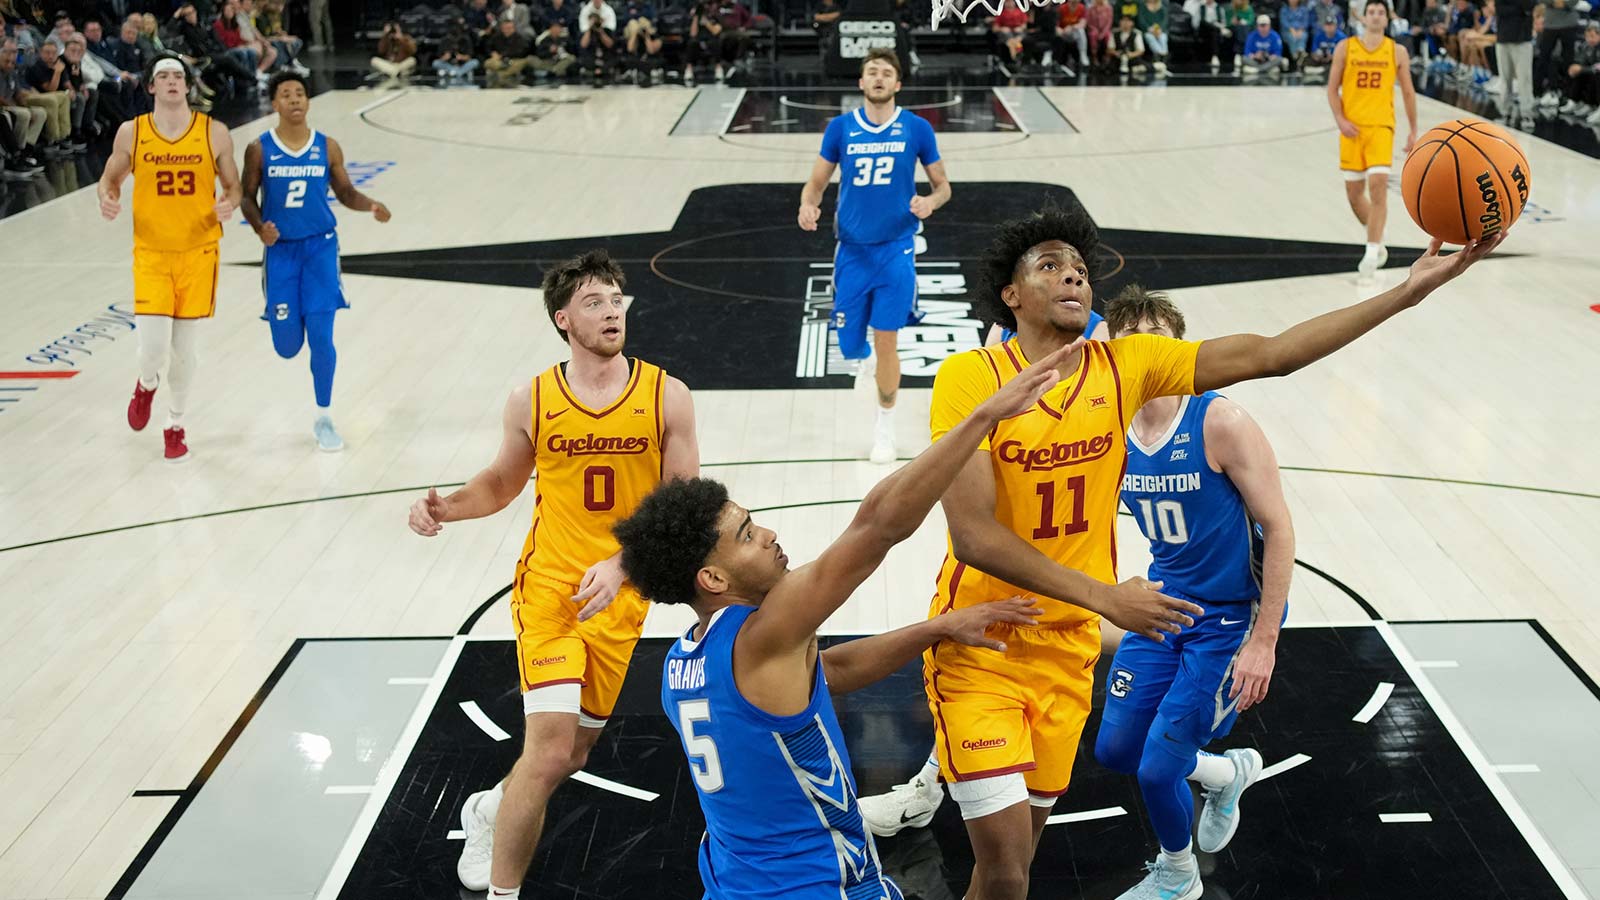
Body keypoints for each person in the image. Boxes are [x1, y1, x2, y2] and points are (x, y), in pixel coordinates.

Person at [862, 205, 1502, 900]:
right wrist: (1108, 597)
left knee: (1013, 866)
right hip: (981, 646)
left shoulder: (1126, 365)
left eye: (1079, 269)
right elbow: (974, 537)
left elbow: (1274, 353)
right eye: (1050, 266)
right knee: (1010, 868)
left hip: (1068, 653)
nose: (1072, 275)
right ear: (1011, 295)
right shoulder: (971, 377)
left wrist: (1409, 291)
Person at [615, 346, 1074, 900]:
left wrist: (935, 628)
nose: (769, 536)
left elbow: (827, 670)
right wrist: (981, 417)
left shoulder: (684, 662)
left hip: (734, 883)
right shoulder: (765, 635)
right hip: (816, 885)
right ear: (713, 579)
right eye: (746, 536)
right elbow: (877, 527)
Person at [406, 250, 700, 900]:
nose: (611, 310)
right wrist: (447, 507)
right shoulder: (533, 398)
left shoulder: (666, 395)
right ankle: (504, 893)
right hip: (551, 593)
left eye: (617, 298)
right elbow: (503, 481)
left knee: (572, 754)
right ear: (563, 318)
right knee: (547, 750)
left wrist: (624, 563)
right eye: (594, 302)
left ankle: (489, 808)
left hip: (620, 602)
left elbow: (683, 504)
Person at [1092, 285, 1294, 900]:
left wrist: (1264, 643)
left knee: (1158, 767)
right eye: (1135, 344)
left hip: (1233, 617)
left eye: (1162, 342)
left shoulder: (1221, 421)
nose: (1149, 355)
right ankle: (1226, 774)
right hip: (1167, 605)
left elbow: (1281, 530)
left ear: (1182, 352)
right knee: (1118, 750)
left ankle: (1178, 876)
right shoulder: (1112, 431)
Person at [796, 48, 950, 465]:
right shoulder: (840, 128)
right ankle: (862, 362)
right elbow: (815, 183)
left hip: (896, 252)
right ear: (861, 82)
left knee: (887, 342)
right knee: (848, 345)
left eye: (886, 72)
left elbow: (943, 185)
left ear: (898, 84)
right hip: (851, 251)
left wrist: (930, 203)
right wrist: (808, 205)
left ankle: (885, 430)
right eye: (872, 72)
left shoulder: (917, 128)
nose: (879, 78)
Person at [97, 54, 242, 462]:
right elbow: (110, 177)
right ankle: (146, 384)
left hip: (199, 253)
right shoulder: (133, 132)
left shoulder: (214, 132)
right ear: (151, 87)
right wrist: (107, 198)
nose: (173, 82)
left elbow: (233, 186)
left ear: (188, 85)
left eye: (179, 76)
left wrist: (229, 203)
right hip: (152, 252)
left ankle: (175, 424)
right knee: (154, 349)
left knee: (184, 351)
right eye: (164, 76)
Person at [239, 70, 391, 453]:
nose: (294, 100)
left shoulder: (328, 147)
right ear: (274, 104)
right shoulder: (259, 148)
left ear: (308, 102)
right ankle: (293, 325)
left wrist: (370, 205)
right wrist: (259, 227)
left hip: (321, 250)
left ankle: (324, 416)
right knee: (288, 346)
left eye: (300, 93)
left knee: (323, 338)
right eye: (286, 94)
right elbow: (245, 197)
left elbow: (345, 191)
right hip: (281, 255)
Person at [1328, 0, 1417, 278]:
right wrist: (1341, 120)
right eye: (1371, 12)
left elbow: (1408, 92)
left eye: (1381, 12)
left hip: (1381, 126)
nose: (1376, 17)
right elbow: (1332, 89)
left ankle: (1371, 251)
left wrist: (1414, 130)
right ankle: (1378, 235)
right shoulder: (1346, 47)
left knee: (1378, 186)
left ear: (1387, 18)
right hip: (1352, 128)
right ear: (1364, 17)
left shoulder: (1397, 51)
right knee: (1355, 196)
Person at [370, 19, 417, 84]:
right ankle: (396, 73)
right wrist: (385, 35)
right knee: (374, 60)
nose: (393, 31)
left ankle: (392, 72)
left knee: (412, 60)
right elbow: (381, 51)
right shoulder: (387, 39)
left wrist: (401, 38)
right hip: (389, 65)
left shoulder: (406, 38)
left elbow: (413, 50)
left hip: (402, 64)